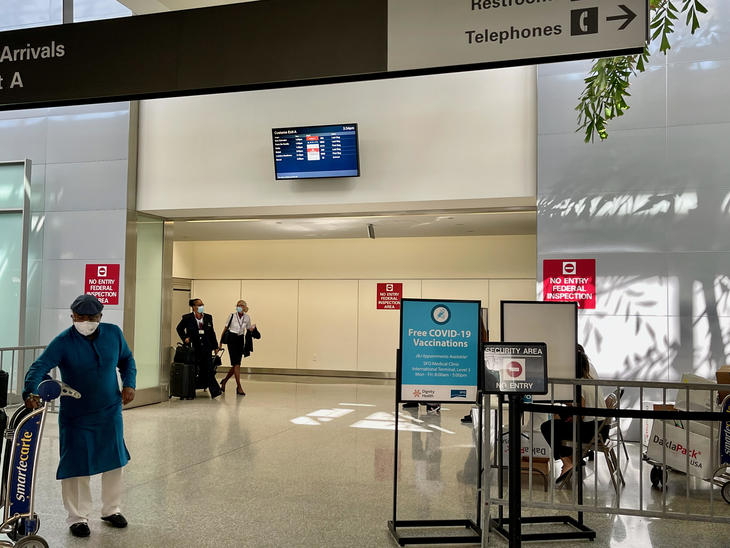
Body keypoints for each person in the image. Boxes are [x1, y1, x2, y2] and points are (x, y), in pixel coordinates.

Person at [23, 294, 136, 538]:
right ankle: (78, 517)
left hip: (109, 410)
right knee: (76, 465)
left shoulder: (114, 334)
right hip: (77, 414)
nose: (86, 321)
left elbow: (127, 360)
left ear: (100, 316)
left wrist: (129, 383)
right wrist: (31, 390)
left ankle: (111, 509)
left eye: (91, 317)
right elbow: (38, 367)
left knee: (114, 460)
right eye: (80, 317)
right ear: (72, 316)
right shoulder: (63, 341)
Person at [540, 345, 608, 485]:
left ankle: (567, 462)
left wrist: (567, 418)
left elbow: (579, 416)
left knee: (547, 427)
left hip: (591, 432)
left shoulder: (579, 386)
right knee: (559, 421)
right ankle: (573, 459)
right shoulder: (591, 382)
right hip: (601, 428)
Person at [175, 298, 222, 399]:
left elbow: (212, 333)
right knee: (193, 370)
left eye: (202, 304)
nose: (201, 306)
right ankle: (190, 392)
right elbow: (179, 328)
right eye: (199, 305)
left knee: (209, 369)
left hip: (206, 347)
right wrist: (185, 338)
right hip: (194, 348)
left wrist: (215, 346)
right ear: (193, 307)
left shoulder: (208, 317)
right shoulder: (187, 318)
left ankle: (215, 391)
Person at [219, 299, 255, 396]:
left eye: (241, 305)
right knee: (236, 364)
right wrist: (220, 342)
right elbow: (225, 328)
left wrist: (253, 329)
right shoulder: (232, 316)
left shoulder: (247, 317)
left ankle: (224, 381)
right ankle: (239, 387)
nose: (239, 307)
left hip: (240, 339)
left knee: (236, 364)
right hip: (232, 339)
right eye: (238, 305)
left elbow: (248, 329)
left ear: (245, 307)